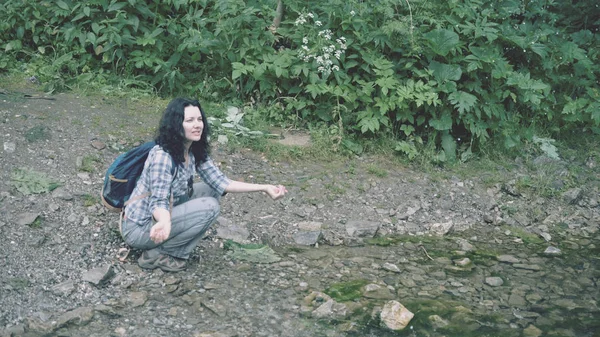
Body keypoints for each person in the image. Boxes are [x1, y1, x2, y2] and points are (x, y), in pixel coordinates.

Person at [120, 97, 287, 272]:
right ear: (176, 124)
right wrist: (164, 221)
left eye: (199, 119)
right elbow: (158, 201)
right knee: (210, 207)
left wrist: (265, 187)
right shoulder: (163, 156)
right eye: (190, 120)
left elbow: (222, 183)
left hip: (163, 213)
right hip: (140, 227)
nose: (197, 125)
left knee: (212, 190)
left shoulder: (193, 150)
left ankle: (170, 243)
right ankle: (161, 254)